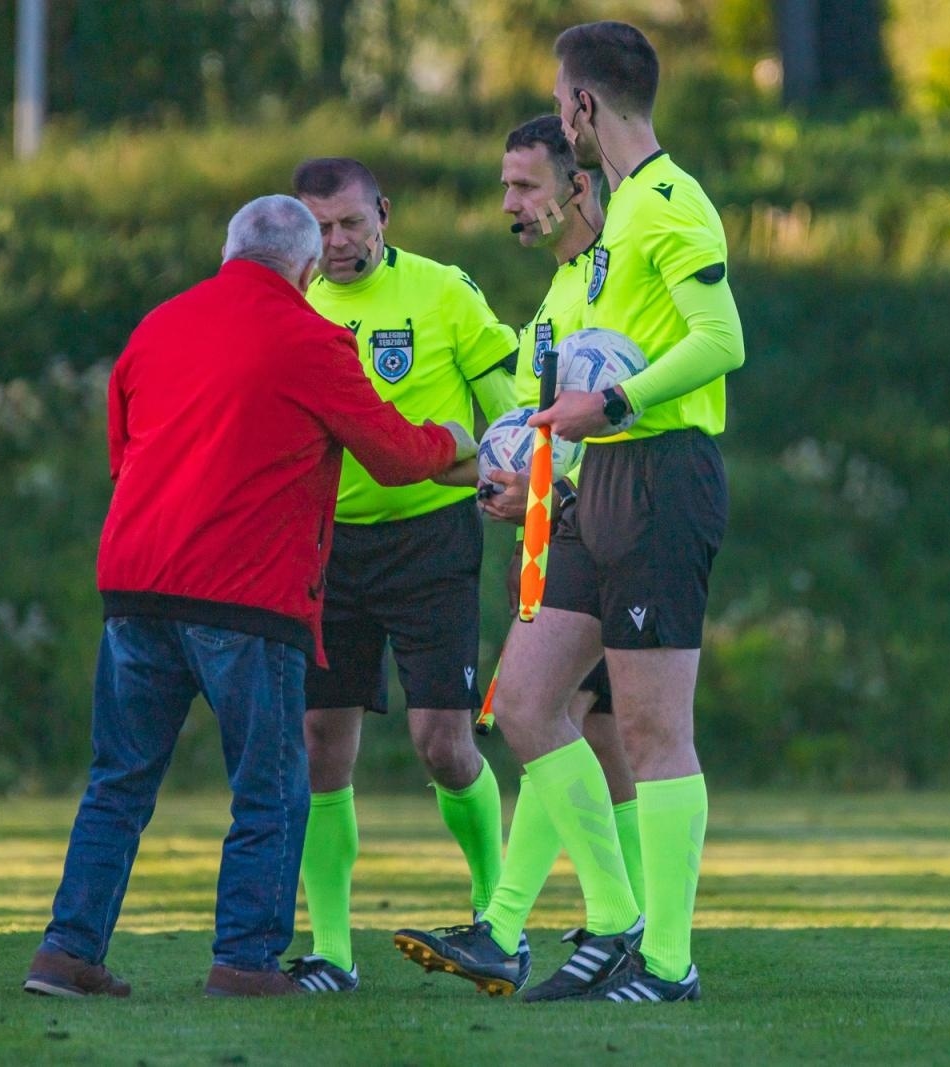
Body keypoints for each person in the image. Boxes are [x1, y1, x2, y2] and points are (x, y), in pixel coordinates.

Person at [24, 194, 473, 1000]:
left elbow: (123, 452)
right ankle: (245, 960)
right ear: (305, 269)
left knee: (119, 779)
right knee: (270, 784)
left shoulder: (156, 326)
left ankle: (66, 950)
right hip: (246, 597)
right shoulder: (311, 338)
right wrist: (457, 440)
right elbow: (395, 455)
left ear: (229, 252)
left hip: (134, 583)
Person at [389, 21, 745, 1005]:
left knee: (650, 725)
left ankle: (666, 961)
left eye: (558, 100)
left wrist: (612, 405)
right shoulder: (613, 225)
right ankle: (613, 918)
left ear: (582, 107)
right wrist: (528, 470)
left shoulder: (670, 202)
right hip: (597, 487)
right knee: (527, 702)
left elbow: (723, 341)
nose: (556, 114)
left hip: (664, 475)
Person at [395, 115, 644, 997]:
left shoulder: (617, 278)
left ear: (578, 186)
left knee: (550, 713)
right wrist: (520, 491)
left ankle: (571, 928)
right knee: (586, 730)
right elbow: (554, 430)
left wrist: (560, 498)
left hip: (616, 528)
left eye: (524, 186)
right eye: (505, 186)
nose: (509, 204)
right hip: (568, 530)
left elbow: (624, 410)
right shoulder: (561, 291)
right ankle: (597, 932)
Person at [284, 158, 520, 994]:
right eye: (318, 226)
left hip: (429, 543)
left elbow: (511, 414)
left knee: (443, 743)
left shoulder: (445, 292)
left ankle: (498, 919)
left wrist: (514, 477)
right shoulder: (289, 302)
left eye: (350, 222)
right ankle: (332, 952)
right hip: (325, 548)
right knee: (320, 746)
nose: (337, 242)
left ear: (383, 213)